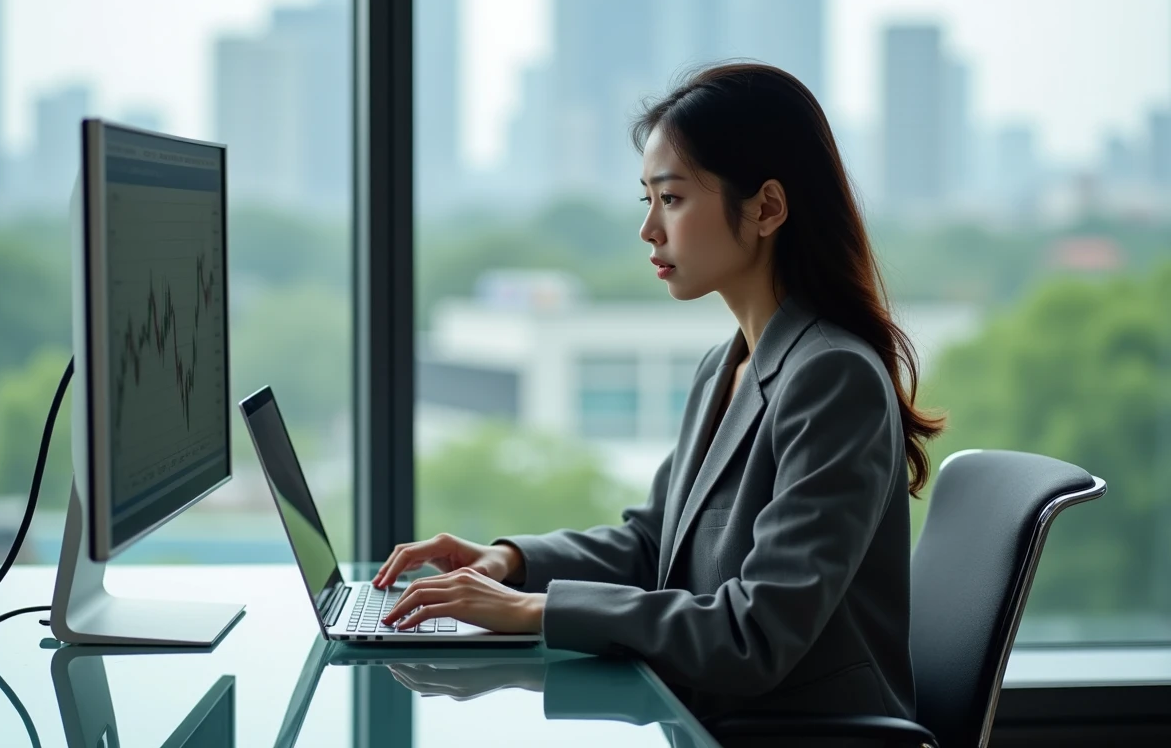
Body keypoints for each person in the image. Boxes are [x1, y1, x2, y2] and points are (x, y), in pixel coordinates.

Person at [373, 62, 944, 727]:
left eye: (670, 199)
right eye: (646, 199)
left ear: (766, 208)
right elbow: (654, 547)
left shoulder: (833, 378)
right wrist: (510, 563)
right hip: (706, 721)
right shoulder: (724, 366)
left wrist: (537, 611)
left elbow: (754, 634)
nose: (648, 229)